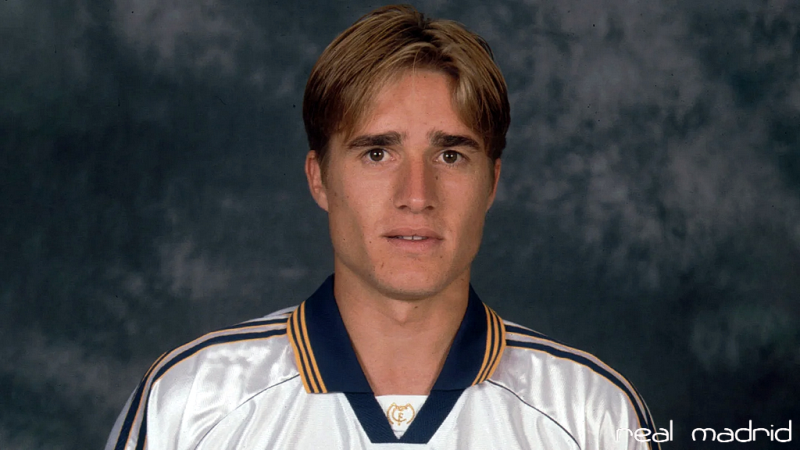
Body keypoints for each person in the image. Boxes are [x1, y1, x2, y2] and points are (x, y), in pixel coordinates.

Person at [106, 4, 659, 449]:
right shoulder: (192, 403)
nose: (416, 196)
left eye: (450, 156)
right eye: (377, 154)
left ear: (491, 184)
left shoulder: (593, 415)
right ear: (319, 179)